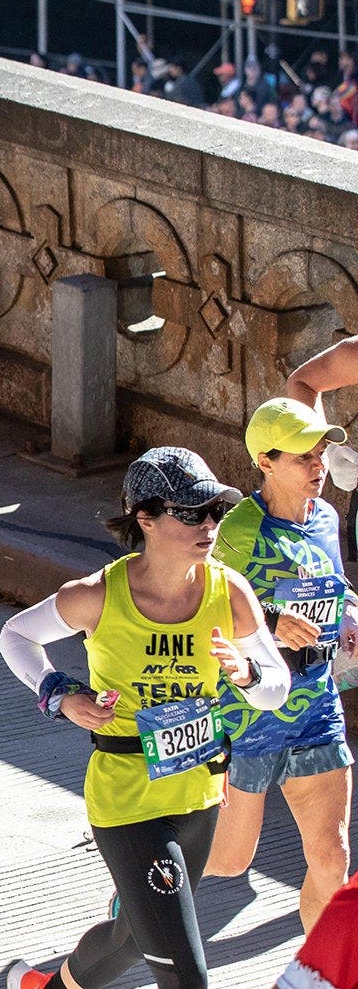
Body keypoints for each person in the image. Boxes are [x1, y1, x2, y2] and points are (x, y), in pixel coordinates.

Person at [0, 447, 291, 989]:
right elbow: (16, 635)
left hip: (200, 793)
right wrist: (58, 692)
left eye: (214, 513)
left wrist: (247, 674)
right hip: (127, 800)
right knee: (184, 972)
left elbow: (276, 688)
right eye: (191, 512)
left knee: (133, 937)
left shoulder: (229, 591)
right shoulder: (97, 595)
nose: (208, 525)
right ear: (146, 519)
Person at [203, 399, 354, 933]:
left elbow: (332, 589)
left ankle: (313, 975)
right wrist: (268, 619)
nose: (319, 467)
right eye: (303, 458)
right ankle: (138, 897)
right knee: (226, 861)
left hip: (315, 704)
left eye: (320, 455)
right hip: (247, 713)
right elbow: (196, 603)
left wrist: (351, 614)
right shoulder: (239, 526)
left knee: (332, 861)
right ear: (265, 462)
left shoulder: (328, 518)